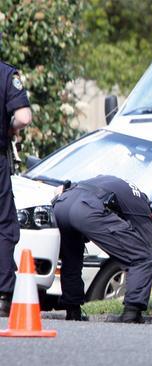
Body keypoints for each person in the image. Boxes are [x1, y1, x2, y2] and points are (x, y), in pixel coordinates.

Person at [51, 175, 152, 322]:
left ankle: (72, 311)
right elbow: (145, 253)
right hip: (87, 208)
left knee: (71, 260)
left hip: (62, 203)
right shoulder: (146, 213)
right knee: (142, 258)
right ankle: (132, 313)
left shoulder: (128, 192)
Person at [0, 61, 32, 317]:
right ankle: (3, 293)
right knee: (3, 224)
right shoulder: (6, 74)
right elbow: (23, 117)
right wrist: (10, 127)